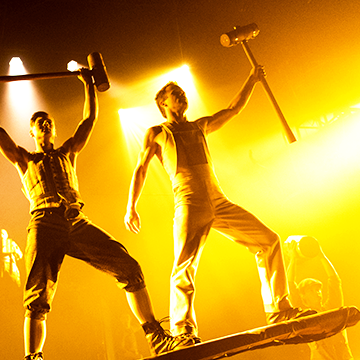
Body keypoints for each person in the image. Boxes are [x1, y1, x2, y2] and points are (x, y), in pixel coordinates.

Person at [0, 69, 179, 360]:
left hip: (76, 221)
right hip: (44, 223)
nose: (44, 123)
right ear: (32, 132)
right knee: (37, 297)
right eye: (38, 122)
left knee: (129, 267)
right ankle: (32, 357)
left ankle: (156, 337)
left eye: (48, 121)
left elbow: (89, 120)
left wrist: (88, 85)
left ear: (54, 129)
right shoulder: (24, 159)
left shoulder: (68, 152)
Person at [124, 65, 315, 347]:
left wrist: (251, 79)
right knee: (184, 266)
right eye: (176, 94)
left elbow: (233, 109)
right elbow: (140, 169)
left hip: (218, 199)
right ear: (164, 104)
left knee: (269, 240)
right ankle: (182, 331)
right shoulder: (157, 133)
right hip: (189, 201)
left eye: (183, 92)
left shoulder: (200, 125)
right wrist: (131, 207)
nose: (183, 96)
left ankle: (280, 309)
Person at [285, 235, 354, 360]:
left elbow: (334, 281)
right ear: (303, 296)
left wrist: (321, 255)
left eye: (318, 289)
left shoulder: (332, 310)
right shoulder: (305, 317)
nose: (318, 292)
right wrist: (293, 259)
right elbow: (290, 286)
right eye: (312, 290)